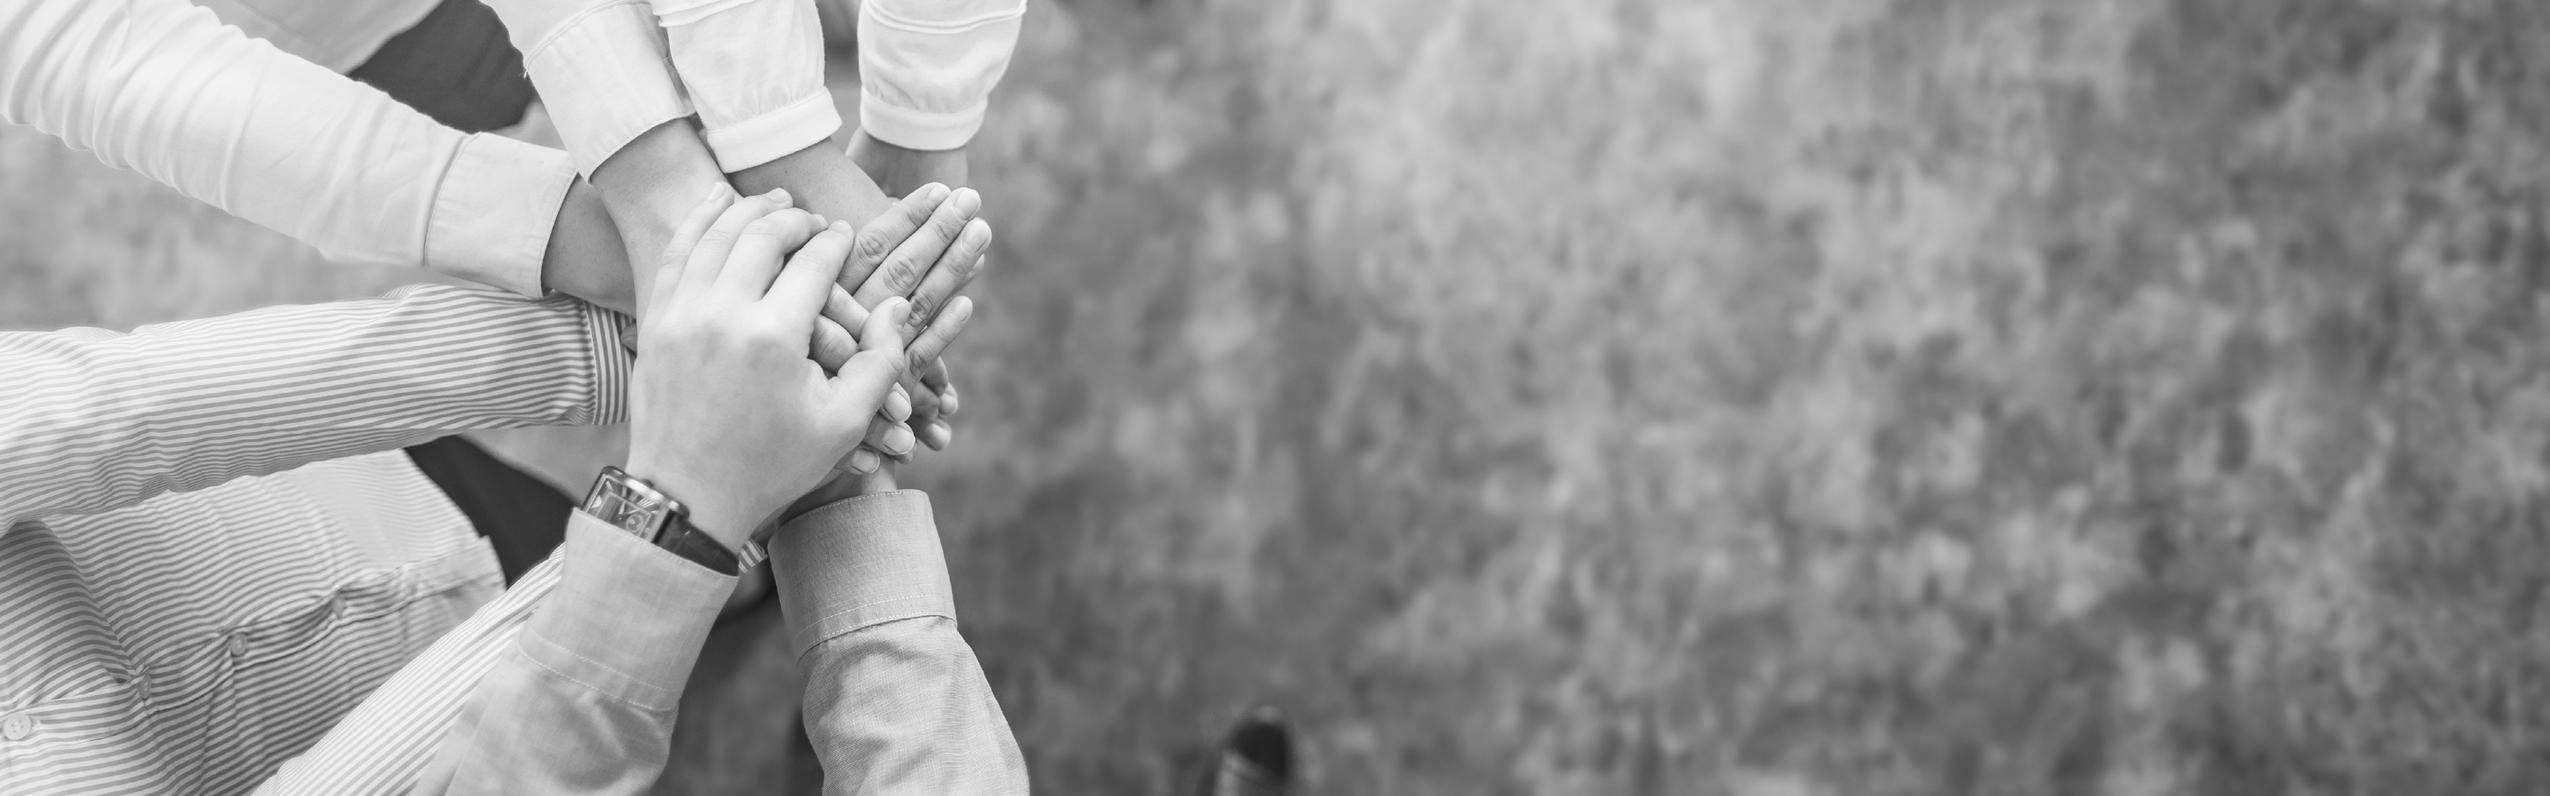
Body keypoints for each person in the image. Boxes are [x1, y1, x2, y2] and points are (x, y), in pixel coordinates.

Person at [0, 186, 996, 794]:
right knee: (677, 624)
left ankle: (736, 580)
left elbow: (105, 410)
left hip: (362, 500)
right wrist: (694, 515)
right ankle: (735, 581)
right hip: (470, 719)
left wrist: (632, 346)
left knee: (643, 575)